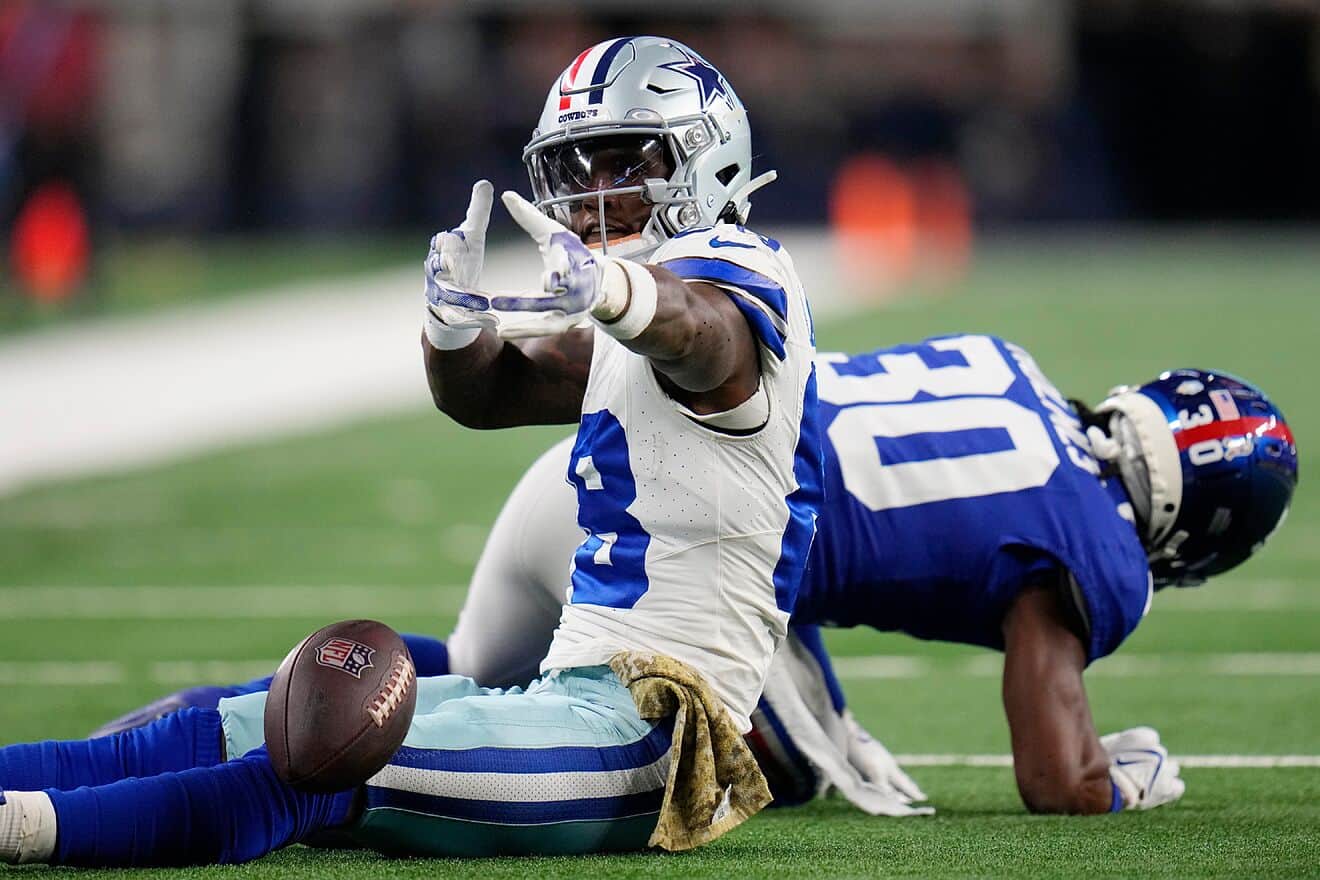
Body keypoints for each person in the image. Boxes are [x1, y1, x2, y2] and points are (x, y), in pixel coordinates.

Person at [0, 36, 822, 865]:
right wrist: (452, 325)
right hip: (563, 699)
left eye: (621, 164)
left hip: (656, 741)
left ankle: (22, 831)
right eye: (578, 171)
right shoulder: (630, 328)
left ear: (706, 155)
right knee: (221, 726)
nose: (593, 197)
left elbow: (701, 335)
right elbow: (487, 394)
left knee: (315, 764)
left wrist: (617, 292)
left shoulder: (742, 273)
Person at [90, 337, 1299, 818]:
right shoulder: (1094, 549)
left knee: (444, 676)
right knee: (758, 767)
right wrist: (1115, 782)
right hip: (678, 547)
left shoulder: (1013, 367)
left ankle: (183, 730)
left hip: (591, 481)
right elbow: (1054, 776)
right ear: (1204, 523)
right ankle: (248, 780)